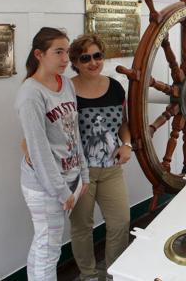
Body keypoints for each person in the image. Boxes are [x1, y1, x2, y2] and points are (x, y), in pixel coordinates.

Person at [15, 27, 89, 281]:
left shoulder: (65, 83)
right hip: (45, 185)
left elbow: (74, 132)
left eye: (67, 52)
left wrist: (84, 174)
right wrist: (61, 191)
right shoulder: (31, 93)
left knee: (45, 244)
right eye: (58, 52)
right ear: (39, 54)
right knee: (48, 249)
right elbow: (37, 149)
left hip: (68, 179)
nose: (66, 59)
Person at [68, 34, 132, 281]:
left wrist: (126, 144)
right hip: (79, 173)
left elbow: (123, 123)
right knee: (82, 227)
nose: (93, 62)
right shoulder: (66, 91)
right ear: (75, 61)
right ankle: (89, 275)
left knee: (120, 221)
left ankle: (114, 273)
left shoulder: (115, 87)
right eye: (85, 58)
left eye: (97, 56)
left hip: (111, 169)